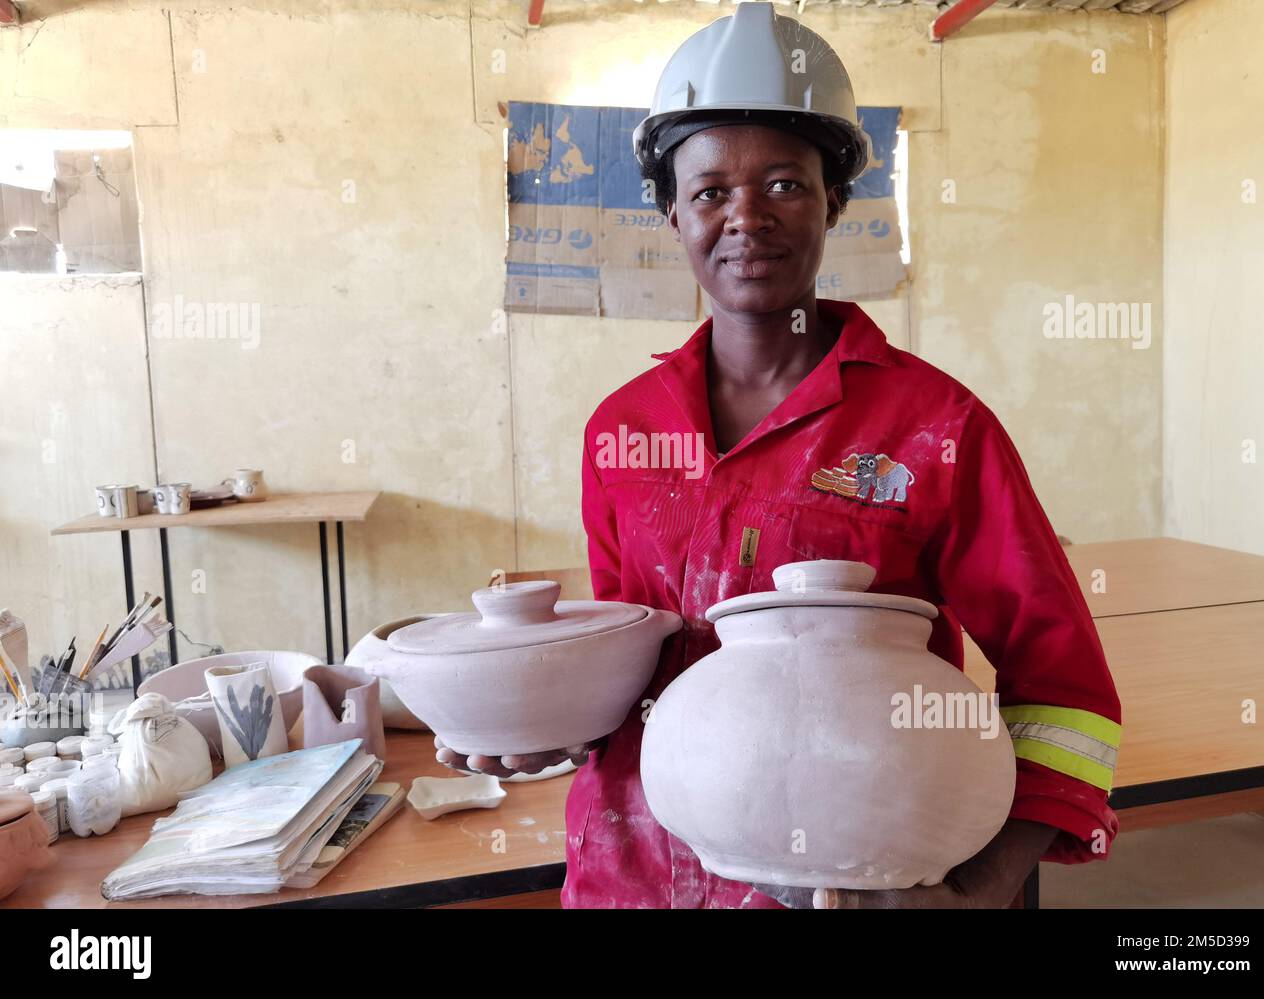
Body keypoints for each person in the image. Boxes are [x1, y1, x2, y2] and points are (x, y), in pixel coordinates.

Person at [436, 0, 1122, 909]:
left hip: (840, 877)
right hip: (629, 873)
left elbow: (1066, 690)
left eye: (786, 184)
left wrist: (981, 889)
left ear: (835, 200)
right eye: (711, 190)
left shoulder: (937, 429)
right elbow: (626, 665)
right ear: (672, 213)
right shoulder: (621, 429)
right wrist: (537, 720)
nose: (746, 217)